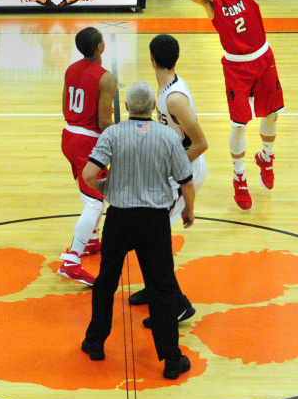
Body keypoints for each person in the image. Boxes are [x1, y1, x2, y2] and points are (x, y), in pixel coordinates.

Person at [148, 0, 284, 211]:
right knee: (238, 124)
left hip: (263, 59)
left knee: (271, 115)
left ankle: (266, 157)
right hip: (236, 66)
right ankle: (239, 177)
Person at [80, 81, 195, 381]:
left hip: (119, 219)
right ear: (153, 109)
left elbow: (89, 174)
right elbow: (186, 180)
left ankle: (95, 343)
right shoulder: (168, 137)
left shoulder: (113, 134)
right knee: (162, 288)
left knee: (106, 281)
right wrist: (188, 210)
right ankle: (171, 360)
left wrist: (107, 188)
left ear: (128, 107)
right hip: (154, 222)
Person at [128, 34, 208, 328]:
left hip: (186, 171)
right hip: (174, 169)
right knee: (149, 234)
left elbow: (201, 143)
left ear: (151, 58)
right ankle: (155, 289)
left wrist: (173, 170)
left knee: (153, 238)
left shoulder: (174, 98)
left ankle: (178, 305)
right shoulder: (165, 87)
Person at [58, 27, 117, 286]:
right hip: (88, 143)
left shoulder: (71, 69)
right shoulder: (106, 78)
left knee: (94, 194)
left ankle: (92, 240)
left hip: (69, 136)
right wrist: (121, 137)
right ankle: (72, 261)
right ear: (100, 47)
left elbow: (64, 108)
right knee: (94, 202)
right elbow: (105, 121)